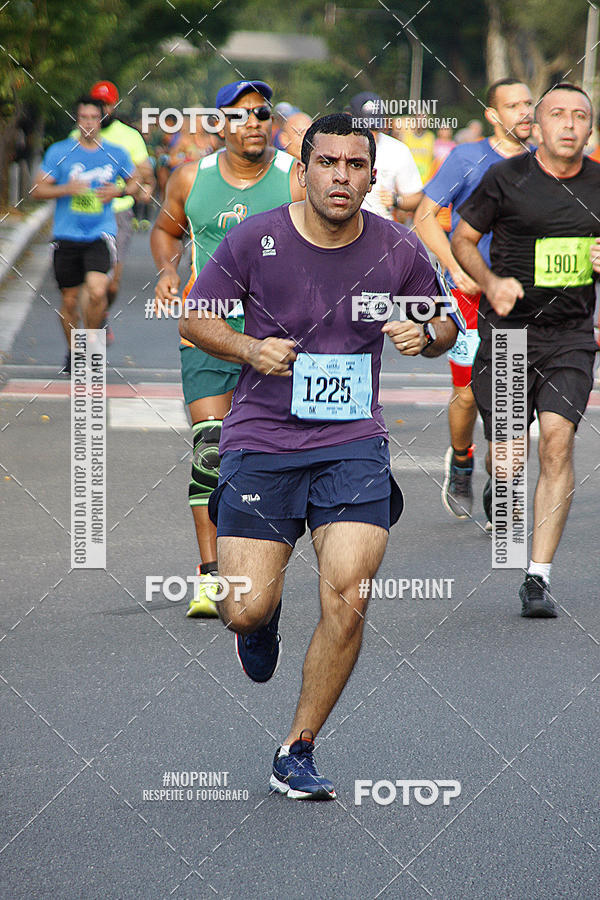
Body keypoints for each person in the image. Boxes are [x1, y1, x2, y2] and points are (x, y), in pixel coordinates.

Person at [179, 113, 461, 799]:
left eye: (355, 164)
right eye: (327, 162)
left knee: (348, 593)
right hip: (263, 439)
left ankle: (297, 748)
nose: (341, 175)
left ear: (372, 174)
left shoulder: (396, 247)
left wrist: (429, 338)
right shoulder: (257, 237)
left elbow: (448, 322)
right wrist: (249, 349)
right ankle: (261, 618)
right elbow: (194, 316)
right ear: (302, 169)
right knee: (243, 607)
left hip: (351, 444)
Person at [151, 80, 303, 618]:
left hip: (275, 339)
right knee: (210, 451)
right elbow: (167, 232)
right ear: (221, 124)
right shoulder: (192, 177)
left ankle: (264, 565)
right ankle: (211, 576)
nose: (254, 123)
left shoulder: (294, 178)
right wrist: (170, 272)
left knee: (269, 457)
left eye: (262, 113)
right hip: (209, 333)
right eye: (240, 116)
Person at [452, 82, 600, 617]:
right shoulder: (506, 177)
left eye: (579, 116)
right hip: (511, 333)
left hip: (570, 336)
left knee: (558, 443)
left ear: (589, 127)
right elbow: (462, 238)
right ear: (537, 125)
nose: (568, 124)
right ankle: (498, 480)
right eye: (557, 114)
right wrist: (490, 283)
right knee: (512, 460)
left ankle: (536, 578)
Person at [414, 79, 533, 522]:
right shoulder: (467, 157)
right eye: (514, 105)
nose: (524, 111)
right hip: (467, 295)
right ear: (493, 114)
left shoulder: (543, 162)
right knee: (466, 394)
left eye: (528, 103)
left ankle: (499, 481)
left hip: (520, 297)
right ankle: (461, 459)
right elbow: (423, 215)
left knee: (509, 401)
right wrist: (456, 267)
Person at [31, 96, 136, 373]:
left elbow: (139, 183)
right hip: (66, 236)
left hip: (101, 234)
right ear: (77, 120)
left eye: (93, 118)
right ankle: (74, 352)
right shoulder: (60, 151)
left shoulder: (115, 152)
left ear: (102, 120)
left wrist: (119, 190)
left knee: (98, 289)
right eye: (83, 118)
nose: (88, 123)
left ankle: (91, 342)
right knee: (69, 301)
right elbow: (37, 189)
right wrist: (67, 189)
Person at [348, 92, 422, 219]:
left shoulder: (398, 150)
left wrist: (397, 200)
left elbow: (416, 196)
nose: (371, 134)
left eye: (375, 128)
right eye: (364, 128)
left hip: (380, 227)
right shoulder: (337, 148)